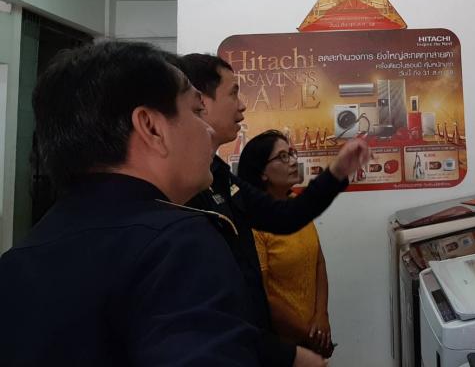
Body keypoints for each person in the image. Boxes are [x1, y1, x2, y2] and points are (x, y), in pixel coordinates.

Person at [0, 41, 268, 365]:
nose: (208, 130)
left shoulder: (15, 262)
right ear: (151, 127)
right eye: (197, 111)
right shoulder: (177, 244)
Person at [177, 53, 368, 367]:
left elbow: (285, 216)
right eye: (233, 93)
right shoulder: (179, 189)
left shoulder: (218, 173)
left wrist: (337, 172)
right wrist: (290, 352)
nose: (242, 105)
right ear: (201, 101)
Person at [238, 130, 334, 357]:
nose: (292, 161)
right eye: (282, 157)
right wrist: (309, 335)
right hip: (282, 345)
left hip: (314, 333)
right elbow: (264, 296)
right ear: (262, 173)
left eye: (291, 153)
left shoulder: (296, 206)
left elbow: (318, 263)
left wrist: (322, 316)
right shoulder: (255, 224)